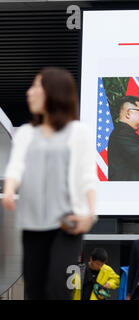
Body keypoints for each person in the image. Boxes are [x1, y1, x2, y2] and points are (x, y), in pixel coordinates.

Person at [2, 67, 98, 300]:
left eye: (36, 87)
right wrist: (10, 190)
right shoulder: (26, 133)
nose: (30, 92)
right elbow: (14, 168)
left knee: (57, 284)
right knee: (34, 285)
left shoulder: (77, 133)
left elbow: (86, 175)